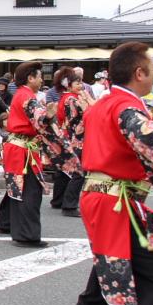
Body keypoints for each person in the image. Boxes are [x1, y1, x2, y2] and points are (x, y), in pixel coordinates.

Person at [72, 41, 153, 305]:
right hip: (117, 199)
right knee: (152, 274)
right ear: (139, 73)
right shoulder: (127, 108)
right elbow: (151, 148)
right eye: (151, 67)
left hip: (102, 194)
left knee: (116, 254)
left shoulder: (103, 104)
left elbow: (79, 144)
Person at [0, 62, 77, 247]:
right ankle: (26, 235)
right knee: (30, 190)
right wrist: (47, 116)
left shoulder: (23, 94)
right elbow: (38, 117)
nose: (41, 80)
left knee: (18, 186)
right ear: (30, 78)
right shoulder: (27, 96)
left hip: (19, 147)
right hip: (22, 150)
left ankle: (4, 222)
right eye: (39, 77)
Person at [50, 66, 94, 218]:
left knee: (65, 171)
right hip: (78, 137)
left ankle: (58, 200)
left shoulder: (64, 98)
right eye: (77, 83)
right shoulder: (72, 99)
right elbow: (81, 118)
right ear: (68, 85)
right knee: (79, 172)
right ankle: (69, 205)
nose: (80, 86)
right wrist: (88, 106)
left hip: (69, 136)